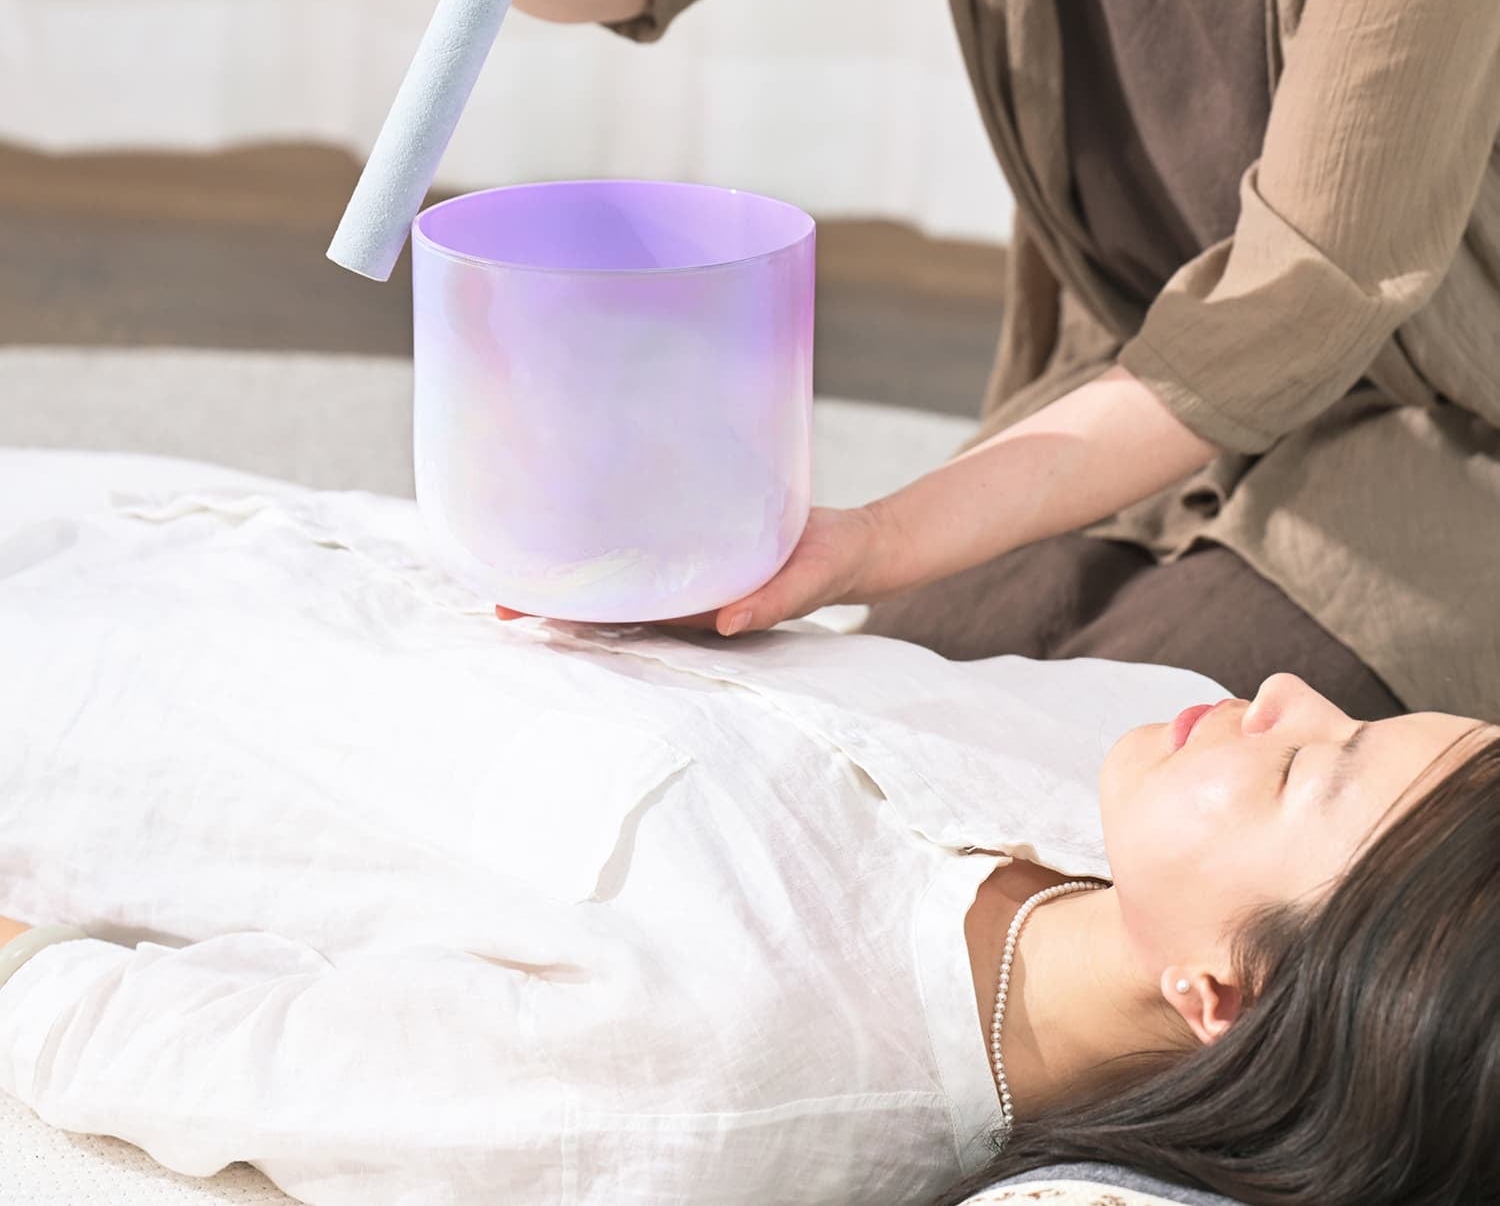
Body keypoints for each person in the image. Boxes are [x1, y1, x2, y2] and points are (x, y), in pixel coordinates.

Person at [394, 0, 1500, 726]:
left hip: (1437, 430)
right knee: (837, 745)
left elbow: (1311, 281)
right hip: (1113, 389)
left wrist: (880, 541)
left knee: (1095, 793)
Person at [0, 463, 1495, 1206]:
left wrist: (27, 976)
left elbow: (245, 1067)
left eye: (1321, 768)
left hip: (58, 699)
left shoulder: (732, 1075)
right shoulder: (1133, 728)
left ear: (1221, 997)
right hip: (204, 523)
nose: (1296, 691)